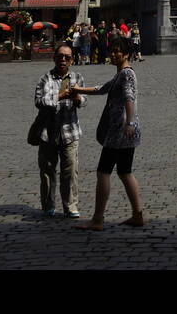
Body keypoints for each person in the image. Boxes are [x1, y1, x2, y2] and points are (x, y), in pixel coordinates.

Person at [70, 37, 143, 230]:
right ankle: (137, 215)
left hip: (119, 132)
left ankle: (98, 219)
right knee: (125, 172)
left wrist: (130, 122)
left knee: (103, 172)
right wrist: (78, 89)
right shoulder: (122, 74)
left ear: (126, 54)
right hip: (126, 132)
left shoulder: (126, 74)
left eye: (117, 51)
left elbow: (129, 98)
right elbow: (102, 89)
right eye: (112, 50)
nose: (113, 54)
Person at [33, 42, 86, 218]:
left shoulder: (77, 78)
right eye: (60, 56)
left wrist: (78, 98)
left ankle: (70, 206)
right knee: (48, 172)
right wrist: (61, 96)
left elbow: (85, 101)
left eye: (67, 57)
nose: (63, 59)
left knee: (70, 172)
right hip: (48, 133)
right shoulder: (45, 79)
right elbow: (40, 101)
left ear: (72, 60)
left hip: (70, 132)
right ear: (54, 58)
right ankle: (48, 205)